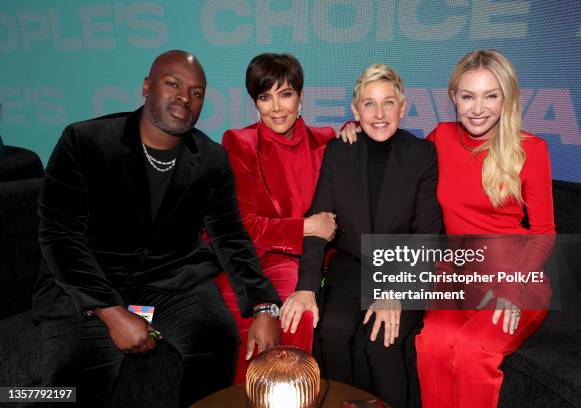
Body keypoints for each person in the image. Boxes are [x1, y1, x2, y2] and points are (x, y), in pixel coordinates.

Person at [32, 50, 281, 407]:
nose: (185, 97)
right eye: (173, 84)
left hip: (169, 281)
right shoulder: (84, 141)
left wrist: (264, 305)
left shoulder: (211, 159)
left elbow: (230, 235)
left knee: (219, 337)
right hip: (88, 284)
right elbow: (58, 235)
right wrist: (112, 312)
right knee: (70, 384)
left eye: (196, 92)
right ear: (147, 87)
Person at [342, 50, 555, 408]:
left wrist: (514, 285)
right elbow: (395, 153)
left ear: (507, 97)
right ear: (453, 97)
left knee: (473, 352)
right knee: (432, 346)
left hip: (513, 277)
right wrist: (358, 131)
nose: (478, 108)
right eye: (468, 96)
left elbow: (545, 231)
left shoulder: (531, 149)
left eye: (491, 95)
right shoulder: (440, 138)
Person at [281, 64, 442, 408]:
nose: (379, 114)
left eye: (388, 103)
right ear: (355, 111)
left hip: (402, 269)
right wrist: (307, 285)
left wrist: (393, 292)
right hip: (351, 268)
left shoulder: (422, 155)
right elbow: (319, 223)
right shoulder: (340, 151)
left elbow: (427, 235)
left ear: (403, 106)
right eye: (369, 104)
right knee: (332, 329)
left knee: (381, 339)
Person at [215, 53, 343, 383]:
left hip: (309, 261)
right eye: (264, 96)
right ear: (254, 102)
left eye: (285, 94)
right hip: (255, 262)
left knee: (300, 310)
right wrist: (306, 227)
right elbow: (242, 225)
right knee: (281, 320)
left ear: (301, 97)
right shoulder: (240, 143)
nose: (276, 108)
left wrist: (357, 135)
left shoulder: (327, 140)